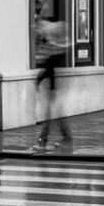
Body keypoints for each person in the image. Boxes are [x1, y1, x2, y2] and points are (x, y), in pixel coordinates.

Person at [33, 19, 73, 151]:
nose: (37, 31)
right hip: (53, 87)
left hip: (53, 88)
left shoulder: (52, 46)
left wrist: (40, 78)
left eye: (38, 28)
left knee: (50, 114)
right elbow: (51, 67)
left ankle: (43, 141)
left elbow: (50, 68)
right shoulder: (55, 46)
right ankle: (65, 139)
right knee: (56, 114)